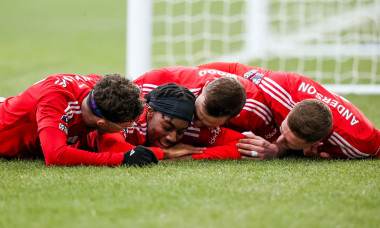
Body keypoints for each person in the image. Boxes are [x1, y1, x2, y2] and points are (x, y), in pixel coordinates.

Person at [198, 62, 380, 159]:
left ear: (316, 142)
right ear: (289, 112)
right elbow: (233, 70)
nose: (279, 139)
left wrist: (279, 150)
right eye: (283, 132)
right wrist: (193, 76)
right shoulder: (280, 88)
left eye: (290, 142)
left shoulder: (361, 142)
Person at [0, 73, 159, 166]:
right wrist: (123, 159)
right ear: (102, 123)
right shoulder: (55, 101)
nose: (126, 129)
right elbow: (56, 156)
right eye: (124, 126)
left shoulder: (98, 89)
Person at [86, 83, 245, 160]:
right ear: (149, 112)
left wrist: (190, 157)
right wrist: (166, 154)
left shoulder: (191, 125)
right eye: (167, 127)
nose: (172, 138)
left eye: (180, 132)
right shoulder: (127, 118)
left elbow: (241, 144)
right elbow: (112, 148)